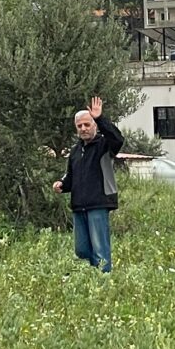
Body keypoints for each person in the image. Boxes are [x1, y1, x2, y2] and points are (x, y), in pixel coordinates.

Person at [53, 96, 124, 273]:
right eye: (80, 126)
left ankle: (103, 282)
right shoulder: (76, 151)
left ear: (94, 125)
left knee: (100, 249)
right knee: (81, 250)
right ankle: (91, 278)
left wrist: (100, 118)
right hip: (79, 206)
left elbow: (118, 139)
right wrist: (61, 184)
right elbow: (70, 177)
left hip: (99, 203)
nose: (83, 129)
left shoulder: (104, 145)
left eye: (87, 124)